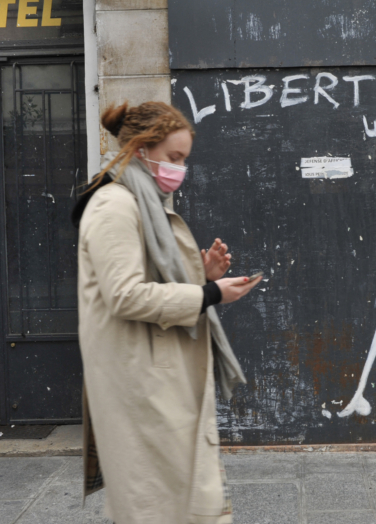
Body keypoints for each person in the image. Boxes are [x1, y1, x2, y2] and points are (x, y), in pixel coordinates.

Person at [71, 101, 260, 523]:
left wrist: (201, 275)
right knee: (154, 507)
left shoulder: (146, 201)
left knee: (182, 502)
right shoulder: (114, 205)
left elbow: (152, 281)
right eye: (174, 158)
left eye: (184, 159)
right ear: (141, 150)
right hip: (139, 385)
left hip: (159, 379)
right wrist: (209, 294)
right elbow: (125, 295)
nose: (180, 169)